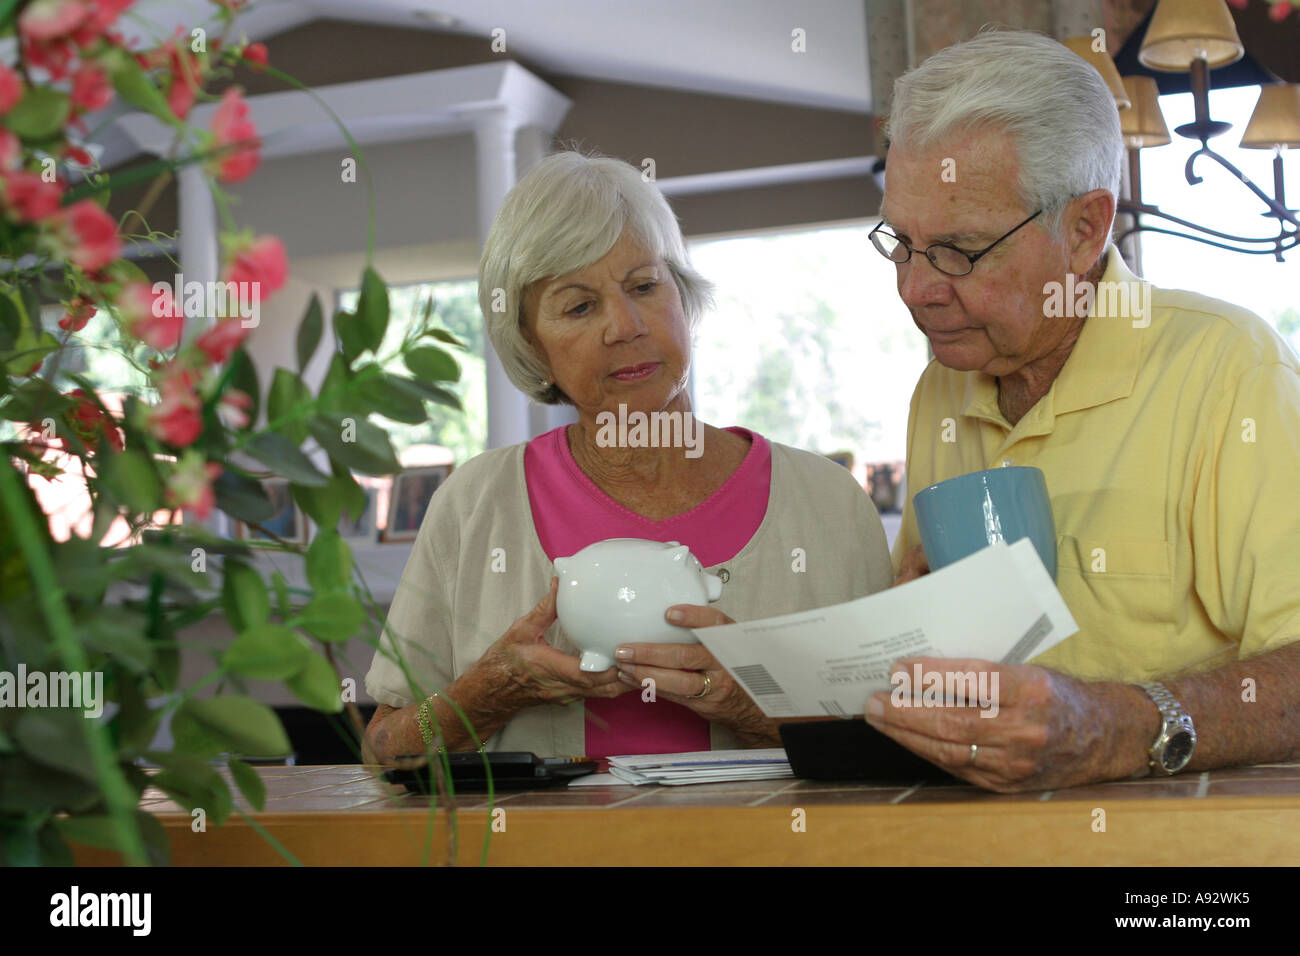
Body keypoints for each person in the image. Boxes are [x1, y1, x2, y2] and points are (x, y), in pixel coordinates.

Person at [871, 29, 1300, 791]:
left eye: (960, 251)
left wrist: (1117, 727)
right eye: (901, 243)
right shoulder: (941, 386)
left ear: (1084, 228)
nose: (915, 289)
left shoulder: (1229, 367)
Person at [364, 151, 893, 761]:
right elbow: (386, 750)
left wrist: (757, 710)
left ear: (684, 297)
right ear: (531, 344)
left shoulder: (828, 503)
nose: (625, 325)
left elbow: (896, 745)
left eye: (644, 286)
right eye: (580, 306)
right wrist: (489, 694)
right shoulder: (474, 504)